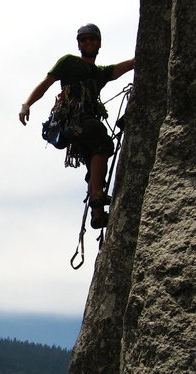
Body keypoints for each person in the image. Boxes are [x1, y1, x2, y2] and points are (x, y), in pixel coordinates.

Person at [19, 23, 134, 229]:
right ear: (78, 45)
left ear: (99, 43)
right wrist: (27, 104)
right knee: (103, 143)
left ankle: (97, 214)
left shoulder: (99, 73)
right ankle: (97, 196)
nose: (88, 42)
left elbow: (119, 69)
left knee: (94, 163)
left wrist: (140, 59)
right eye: (84, 40)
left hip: (80, 128)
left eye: (92, 39)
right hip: (74, 121)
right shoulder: (69, 62)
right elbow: (46, 83)